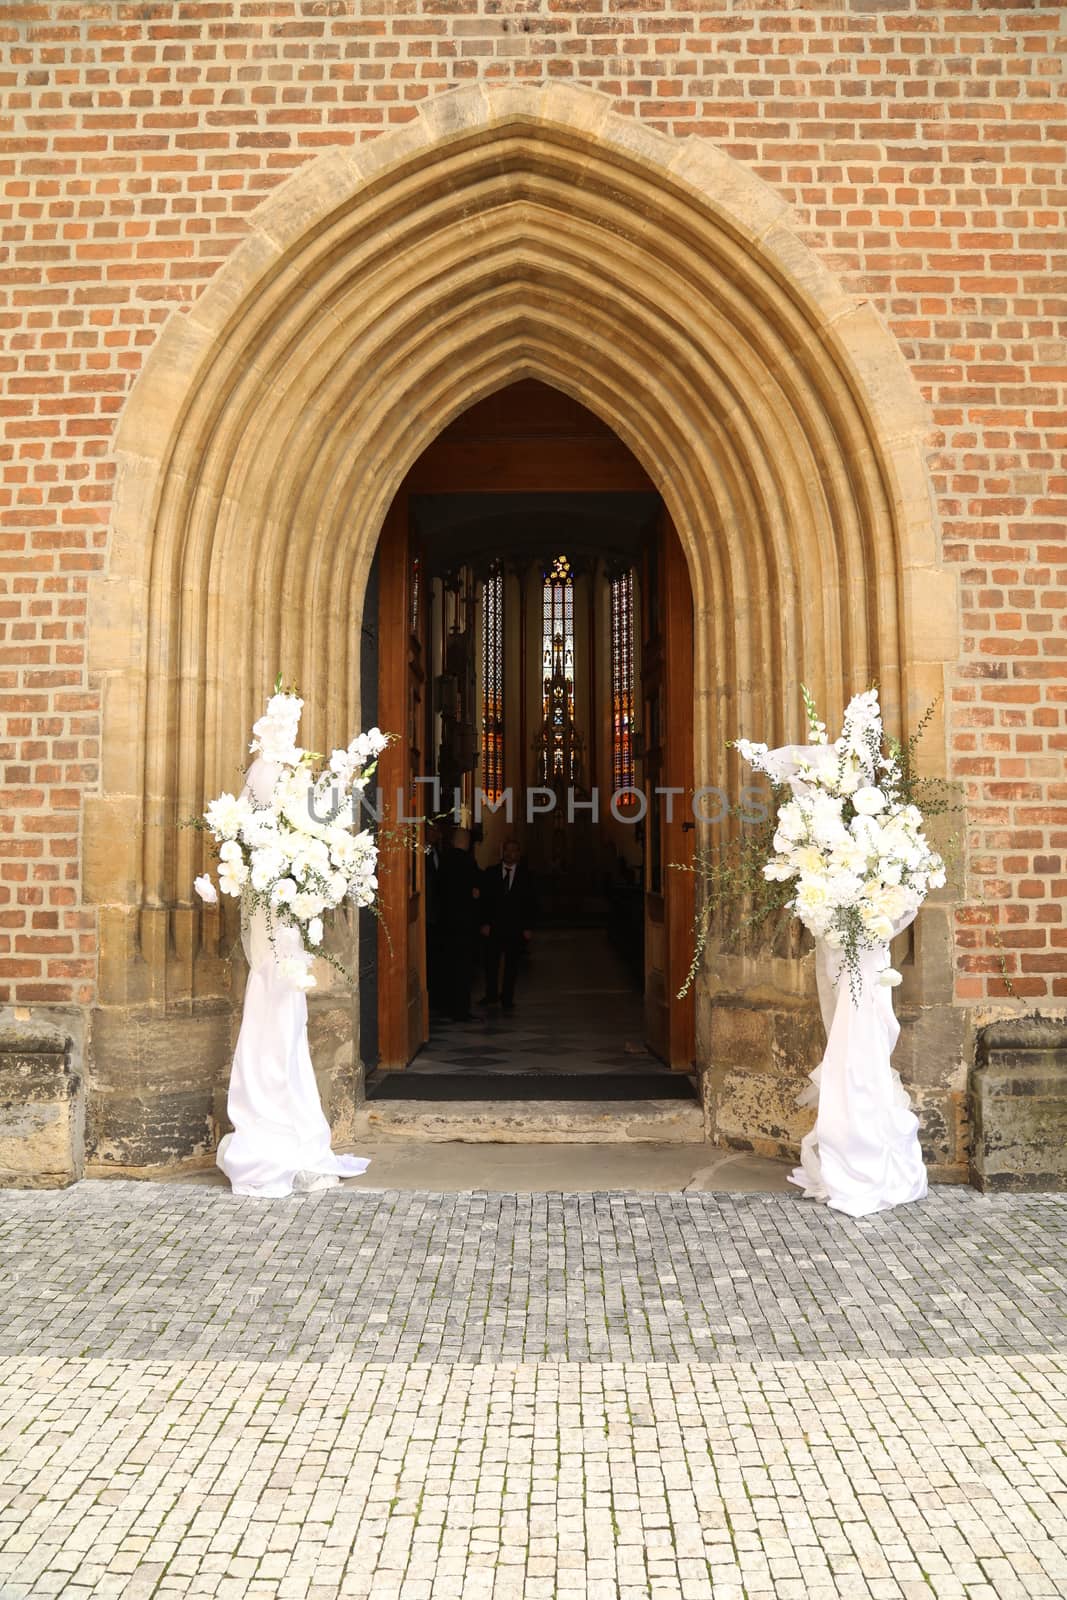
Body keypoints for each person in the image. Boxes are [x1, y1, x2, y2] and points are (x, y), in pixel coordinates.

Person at [479, 836, 536, 1012]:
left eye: (514, 850)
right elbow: (485, 901)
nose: (510, 853)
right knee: (491, 963)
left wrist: (528, 927)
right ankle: (491, 995)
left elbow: (531, 903)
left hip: (515, 927)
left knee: (512, 964)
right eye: (507, 850)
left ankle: (507, 997)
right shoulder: (490, 872)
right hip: (494, 926)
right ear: (502, 852)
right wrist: (484, 922)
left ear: (519, 854)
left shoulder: (526, 876)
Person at [436, 825, 481, 1021]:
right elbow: (475, 889)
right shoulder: (467, 861)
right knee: (463, 968)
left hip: (445, 922)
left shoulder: (443, 860)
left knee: (448, 966)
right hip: (464, 924)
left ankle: (447, 1007)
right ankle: (461, 1010)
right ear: (465, 842)